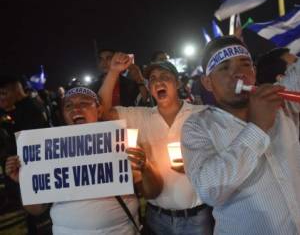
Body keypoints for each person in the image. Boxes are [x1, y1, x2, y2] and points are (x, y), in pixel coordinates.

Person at [181, 36, 300, 234]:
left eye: (245, 64)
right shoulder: (198, 126)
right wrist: (258, 127)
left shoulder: (279, 103)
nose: (238, 74)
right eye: (224, 67)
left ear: (253, 72)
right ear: (207, 82)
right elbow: (209, 189)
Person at [5, 84, 162, 235]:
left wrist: (146, 167)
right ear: (63, 114)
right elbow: (36, 209)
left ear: (99, 110)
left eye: (84, 103)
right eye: (68, 106)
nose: (76, 109)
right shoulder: (48, 150)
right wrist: (25, 181)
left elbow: (151, 193)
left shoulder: (122, 142)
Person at [99, 54, 214, 235]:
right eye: (152, 79)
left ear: (177, 84)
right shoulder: (140, 116)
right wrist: (113, 72)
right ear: (149, 88)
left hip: (197, 218)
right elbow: (102, 113)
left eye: (165, 77)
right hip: (156, 218)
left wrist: (195, 164)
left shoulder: (202, 114)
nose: (158, 82)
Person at [0, 75, 51, 235]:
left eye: (3, 93)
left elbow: (31, 148)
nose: (1, 98)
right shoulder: (18, 109)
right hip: (20, 174)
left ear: (16, 89)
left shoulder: (28, 110)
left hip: (31, 174)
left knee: (39, 219)